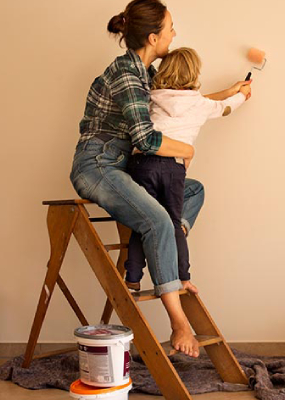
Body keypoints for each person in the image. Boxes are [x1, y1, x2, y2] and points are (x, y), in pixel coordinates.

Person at [70, 0, 252, 358]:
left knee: (193, 191)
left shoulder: (146, 73)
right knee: (156, 221)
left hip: (122, 167)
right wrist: (189, 150)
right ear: (154, 37)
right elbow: (145, 139)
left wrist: (230, 93)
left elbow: (181, 102)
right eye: (170, 28)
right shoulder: (127, 74)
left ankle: (170, 234)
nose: (174, 33)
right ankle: (178, 323)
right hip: (97, 166)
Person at [123, 47, 251, 295]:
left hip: (142, 164)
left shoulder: (152, 96)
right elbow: (223, 108)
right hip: (172, 168)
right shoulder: (199, 103)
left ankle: (133, 277)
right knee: (172, 222)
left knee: (144, 221)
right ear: (194, 74)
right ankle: (182, 278)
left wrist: (231, 89)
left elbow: (204, 100)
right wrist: (241, 96)